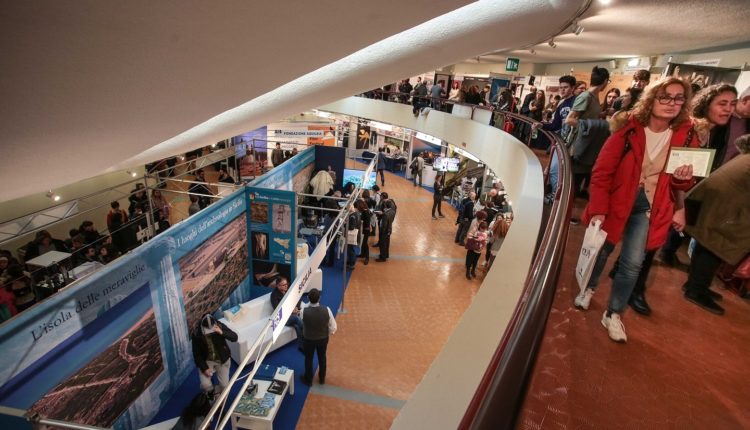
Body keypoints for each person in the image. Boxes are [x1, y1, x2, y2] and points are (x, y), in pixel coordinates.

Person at [574, 76, 698, 343]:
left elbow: (683, 181)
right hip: (618, 201)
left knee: (632, 262)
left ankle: (614, 312)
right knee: (602, 250)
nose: (671, 103)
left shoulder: (686, 135)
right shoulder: (628, 129)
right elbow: (603, 171)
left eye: (678, 98)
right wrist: (598, 207)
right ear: (651, 99)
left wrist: (683, 183)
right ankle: (589, 288)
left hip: (651, 206)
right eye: (665, 96)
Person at [682, 134, 750, 315]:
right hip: (725, 202)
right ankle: (696, 290)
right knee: (716, 244)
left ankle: (695, 284)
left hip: (719, 197)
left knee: (707, 241)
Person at [191, 313, 238, 397]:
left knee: (224, 386)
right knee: (206, 386)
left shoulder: (219, 325)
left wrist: (222, 332)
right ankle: (211, 393)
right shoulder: (196, 334)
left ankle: (218, 394)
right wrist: (204, 368)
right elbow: (197, 354)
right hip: (207, 360)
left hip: (222, 359)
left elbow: (234, 337)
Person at [300, 288, 337, 386]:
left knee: (308, 358)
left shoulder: (303, 311)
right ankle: (322, 379)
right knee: (322, 357)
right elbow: (333, 327)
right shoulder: (327, 309)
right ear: (319, 298)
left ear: (308, 298)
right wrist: (326, 334)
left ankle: (308, 380)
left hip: (308, 339)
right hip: (323, 339)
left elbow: (303, 321)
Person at [270, 277, 304, 351]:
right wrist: (291, 311)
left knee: (297, 326)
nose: (286, 286)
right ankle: (308, 333)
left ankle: (302, 347)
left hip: (292, 313)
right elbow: (277, 310)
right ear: (278, 286)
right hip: (281, 318)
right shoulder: (274, 295)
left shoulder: (288, 290)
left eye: (286, 284)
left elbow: (298, 297)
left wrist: (296, 307)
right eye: (283, 285)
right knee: (296, 319)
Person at [356, 199, 372, 265]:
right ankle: (363, 254)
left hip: (366, 230)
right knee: (363, 243)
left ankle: (367, 258)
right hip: (366, 229)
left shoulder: (365, 212)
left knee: (365, 244)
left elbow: (367, 222)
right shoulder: (366, 210)